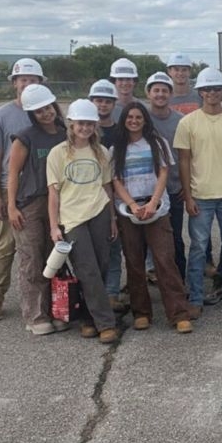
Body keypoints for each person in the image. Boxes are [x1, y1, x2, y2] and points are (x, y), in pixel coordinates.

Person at [174, 67, 222, 318]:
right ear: (201, 92)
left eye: (217, 89)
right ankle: (195, 299)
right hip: (200, 196)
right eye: (208, 89)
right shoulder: (187, 123)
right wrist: (188, 196)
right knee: (198, 248)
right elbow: (184, 161)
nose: (212, 93)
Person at [111, 102, 192, 334]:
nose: (134, 121)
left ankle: (179, 313)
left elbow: (164, 172)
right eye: (130, 117)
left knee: (165, 260)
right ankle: (141, 312)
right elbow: (115, 180)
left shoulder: (158, 144)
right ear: (124, 120)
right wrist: (132, 205)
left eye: (138, 117)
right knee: (134, 263)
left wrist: (153, 202)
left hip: (156, 210)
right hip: (129, 211)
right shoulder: (116, 148)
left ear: (145, 120)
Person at [46, 99, 118, 344]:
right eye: (80, 123)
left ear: (95, 126)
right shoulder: (58, 154)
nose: (85, 128)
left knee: (102, 265)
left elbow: (107, 187)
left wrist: (112, 220)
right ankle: (106, 323)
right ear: (71, 124)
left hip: (98, 212)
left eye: (89, 124)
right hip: (73, 218)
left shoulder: (101, 152)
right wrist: (54, 226)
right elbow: (53, 193)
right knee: (87, 268)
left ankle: (88, 318)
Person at [0, 57, 45, 323]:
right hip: (10, 190)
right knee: (6, 245)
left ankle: (43, 301)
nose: (27, 84)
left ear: (41, 84)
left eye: (33, 80)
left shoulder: (46, 112)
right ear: (14, 84)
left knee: (38, 247)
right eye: (23, 80)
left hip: (40, 190)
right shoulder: (1, 116)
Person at [6, 85, 68, 335]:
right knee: (33, 259)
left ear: (54, 105)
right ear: (32, 113)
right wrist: (11, 206)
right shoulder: (25, 137)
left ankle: (57, 310)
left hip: (61, 203)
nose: (46, 113)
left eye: (48, 107)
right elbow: (12, 174)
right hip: (31, 203)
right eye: (39, 111)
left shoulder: (65, 133)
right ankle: (35, 315)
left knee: (56, 258)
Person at [88, 79, 126, 313]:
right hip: (87, 199)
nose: (102, 105)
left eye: (107, 101)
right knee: (91, 252)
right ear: (91, 101)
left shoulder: (120, 132)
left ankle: (111, 293)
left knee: (114, 248)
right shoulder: (81, 130)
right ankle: (95, 295)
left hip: (116, 197)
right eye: (98, 100)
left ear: (114, 103)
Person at [145, 71, 187, 279]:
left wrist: (185, 187)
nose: (160, 94)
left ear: (170, 94)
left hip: (174, 189)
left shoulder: (181, 121)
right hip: (145, 191)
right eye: (156, 90)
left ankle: (179, 281)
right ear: (148, 93)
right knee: (145, 240)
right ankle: (148, 278)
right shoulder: (140, 118)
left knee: (174, 238)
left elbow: (188, 156)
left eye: (164, 90)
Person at [108, 58, 142, 122]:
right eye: (120, 79)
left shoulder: (143, 107)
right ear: (114, 81)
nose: (125, 83)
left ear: (134, 82)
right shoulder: (107, 108)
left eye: (128, 79)